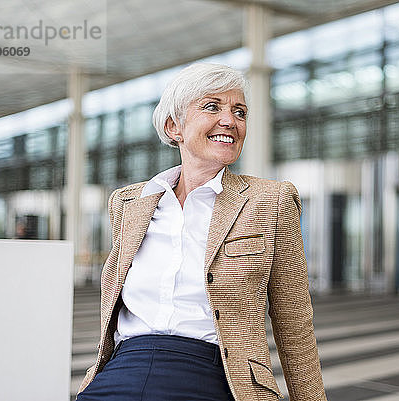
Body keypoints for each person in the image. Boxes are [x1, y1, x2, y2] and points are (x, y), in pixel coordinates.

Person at [76, 63, 327, 401]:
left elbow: (294, 322)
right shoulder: (127, 202)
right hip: (124, 369)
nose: (230, 121)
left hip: (217, 375)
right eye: (212, 106)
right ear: (173, 126)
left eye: (239, 111)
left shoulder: (270, 200)